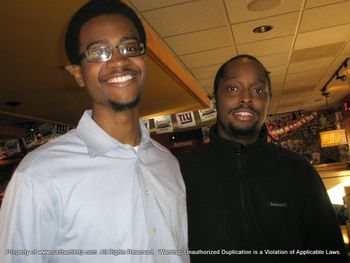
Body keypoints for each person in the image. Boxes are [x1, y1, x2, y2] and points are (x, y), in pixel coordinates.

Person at [0, 1, 189, 262]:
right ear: (78, 74)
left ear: (144, 60)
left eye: (129, 47)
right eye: (99, 52)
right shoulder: (38, 175)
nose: (119, 61)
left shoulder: (168, 164)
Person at [178, 54, 347, 263]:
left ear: (267, 100)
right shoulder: (183, 171)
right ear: (215, 97)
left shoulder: (299, 171)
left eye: (258, 91)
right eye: (233, 88)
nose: (246, 98)